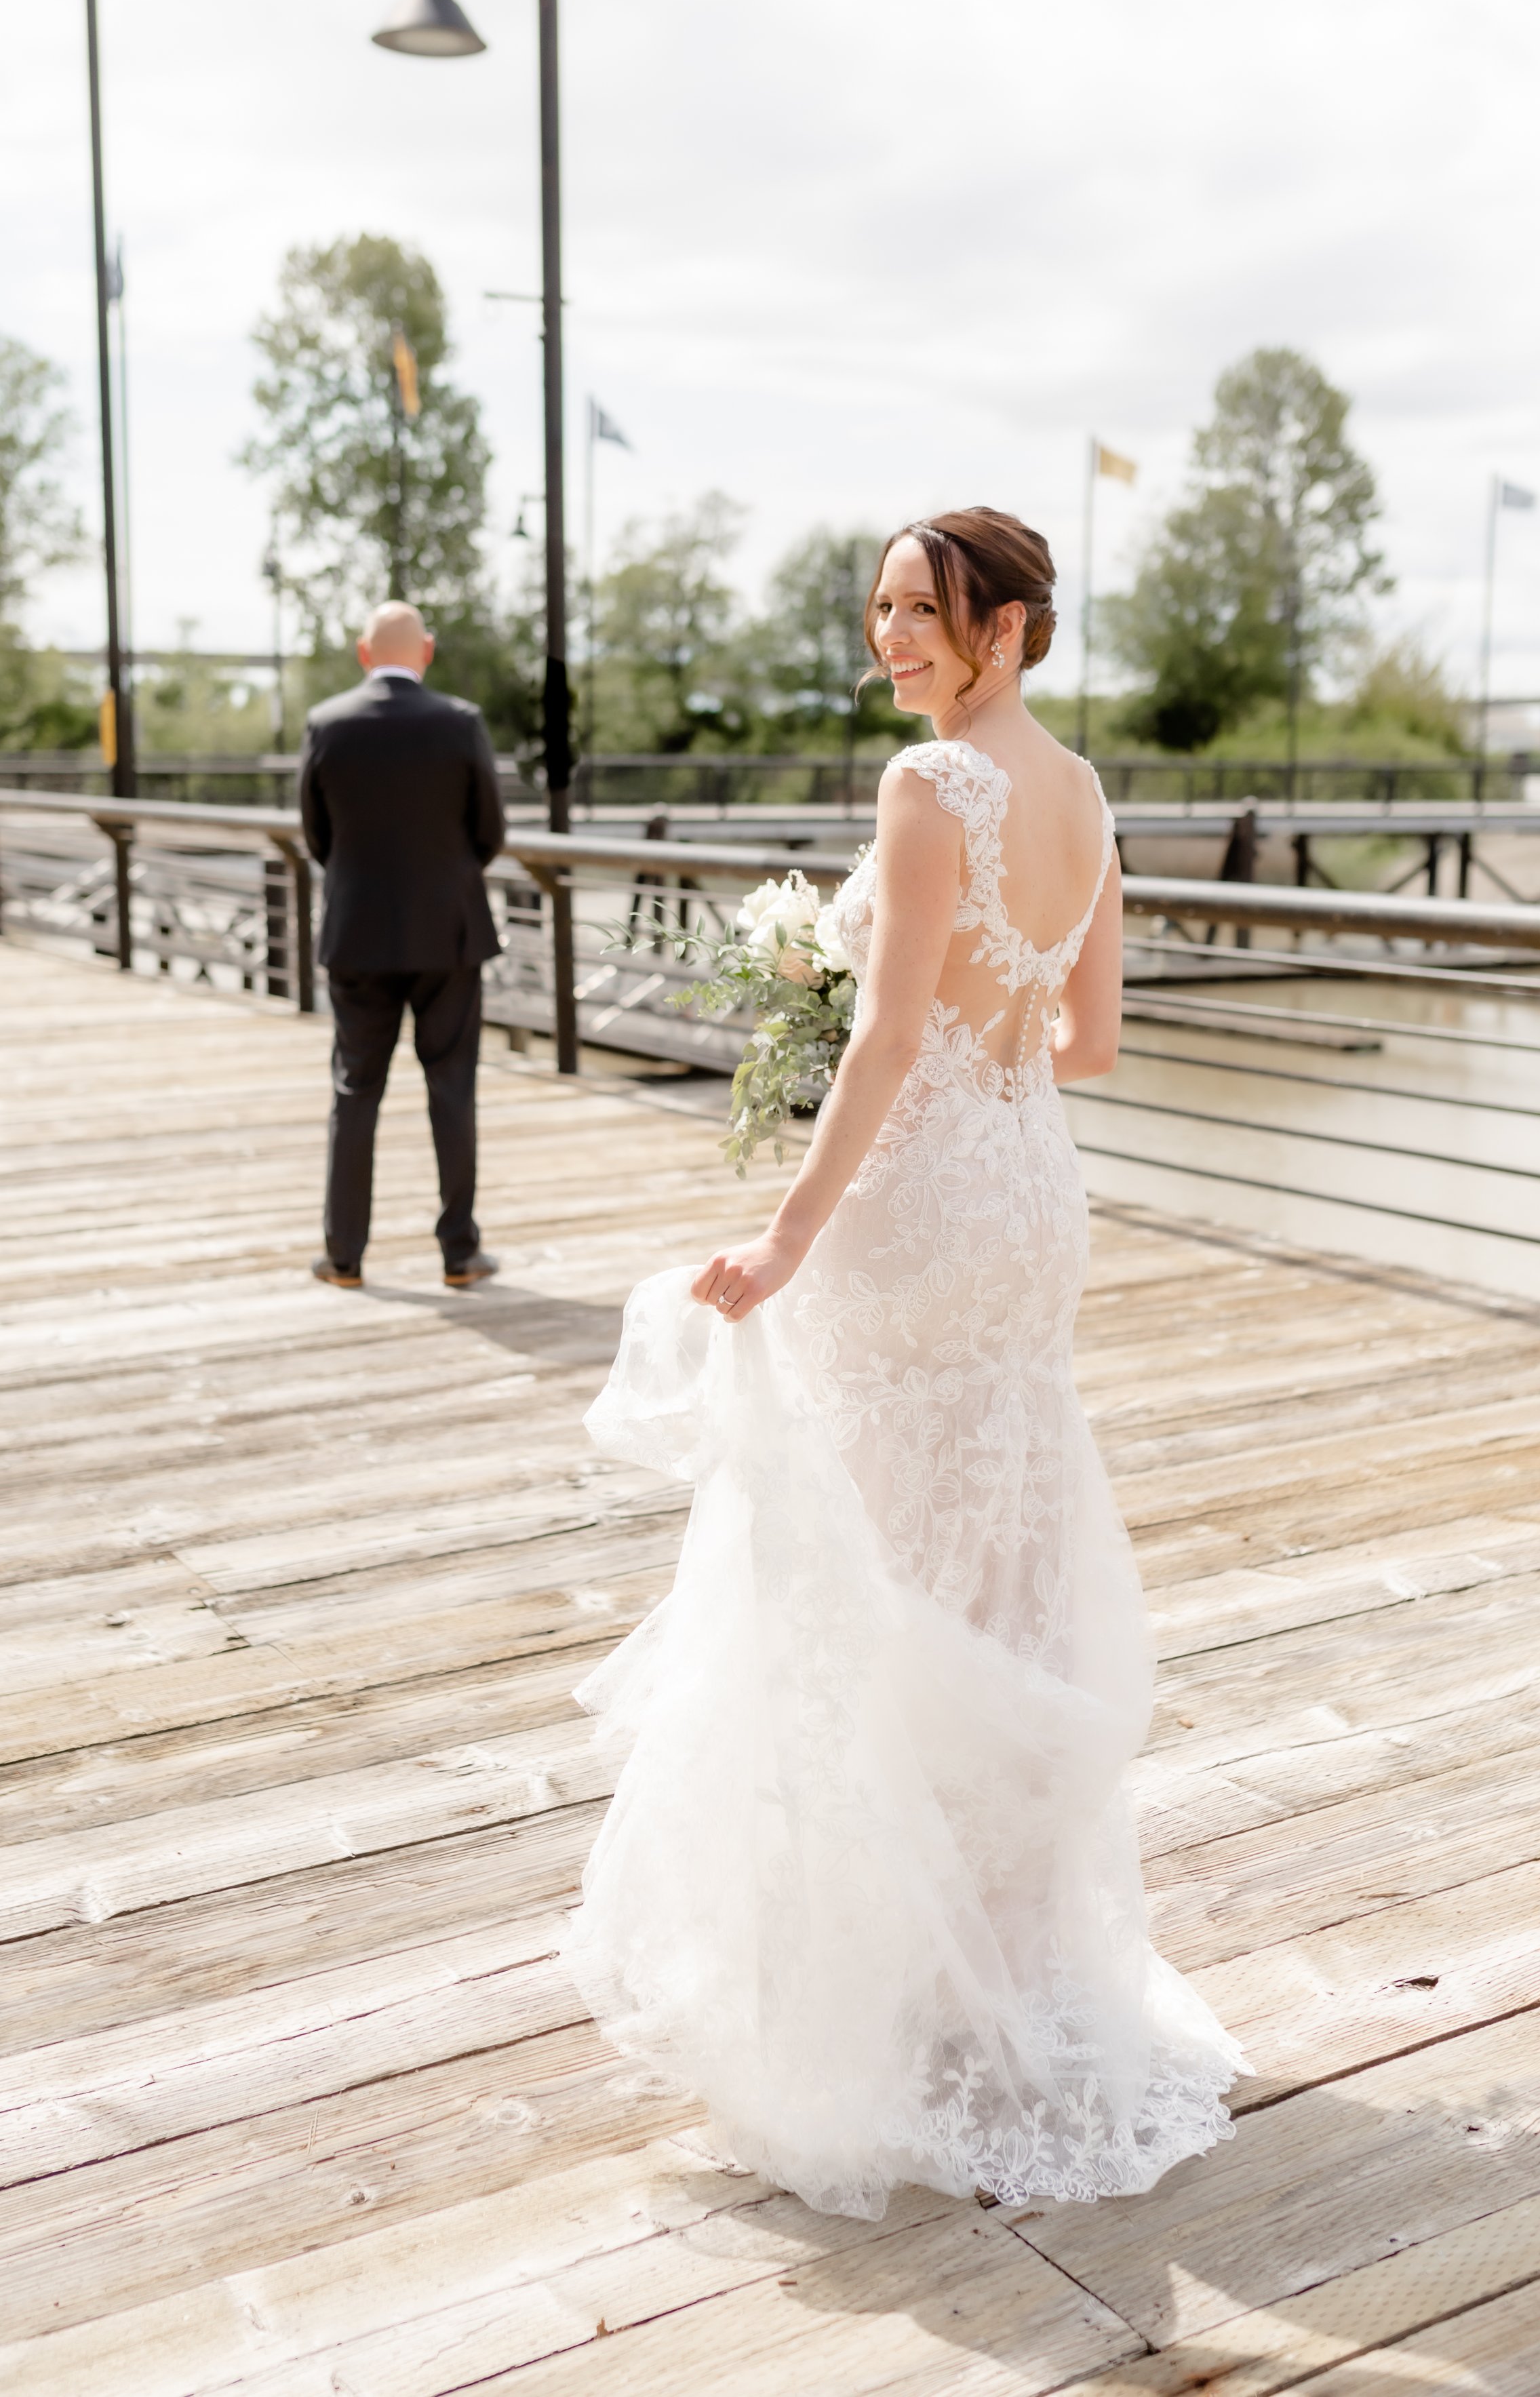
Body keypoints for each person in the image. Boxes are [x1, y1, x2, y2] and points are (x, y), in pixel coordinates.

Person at [562, 509, 1246, 2219]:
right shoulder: (1085, 795)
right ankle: (993, 1960)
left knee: (859, 1555)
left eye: (923, 611)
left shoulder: (927, 789)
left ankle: (882, 1978)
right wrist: (954, 1022)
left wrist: (788, 1231)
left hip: (920, 1203)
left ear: (1004, 625)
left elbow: (882, 1035)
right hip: (1031, 1198)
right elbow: (1083, 1037)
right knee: (995, 1555)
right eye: (877, 607)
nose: (891, 636)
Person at [299, 600, 505, 1291]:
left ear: (363, 653)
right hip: (447, 934)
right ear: (429, 651)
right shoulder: (460, 723)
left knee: (354, 1092)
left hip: (357, 934)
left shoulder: (327, 725)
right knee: (451, 1090)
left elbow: (317, 837)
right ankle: (459, 1253)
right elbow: (489, 833)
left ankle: (344, 1256)